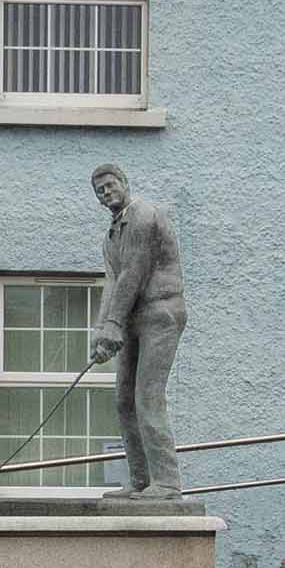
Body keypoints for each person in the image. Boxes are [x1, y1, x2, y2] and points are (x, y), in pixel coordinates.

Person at [89, 163, 186, 501]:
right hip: (129, 318)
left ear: (124, 183)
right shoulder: (110, 236)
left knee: (147, 397)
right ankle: (142, 480)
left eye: (110, 184)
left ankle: (168, 482)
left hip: (160, 314)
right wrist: (102, 329)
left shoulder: (144, 215)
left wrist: (113, 324)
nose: (106, 192)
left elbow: (134, 270)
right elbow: (113, 282)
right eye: (99, 190)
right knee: (123, 400)